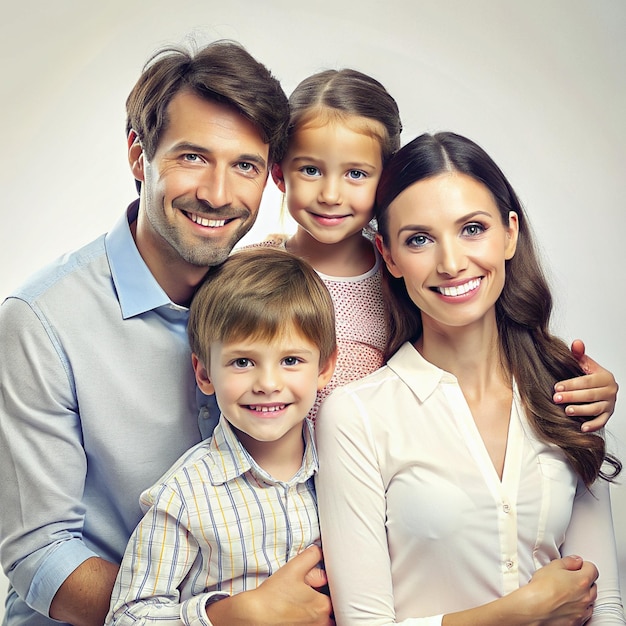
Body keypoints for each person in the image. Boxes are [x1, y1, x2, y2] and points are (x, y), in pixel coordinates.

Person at [0, 41, 333, 626]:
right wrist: (228, 615)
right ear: (139, 154)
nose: (218, 193)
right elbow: (39, 554)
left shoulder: (266, 297)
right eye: (192, 157)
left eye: (246, 166)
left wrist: (543, 375)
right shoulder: (42, 320)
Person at [315, 132, 624, 625]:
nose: (452, 262)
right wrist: (523, 611)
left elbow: (604, 605)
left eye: (472, 229)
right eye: (419, 239)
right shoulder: (356, 416)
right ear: (389, 255)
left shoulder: (567, 395)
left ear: (510, 233)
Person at [257, 68, 618, 425]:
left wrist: (579, 383)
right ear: (279, 174)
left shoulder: (409, 268)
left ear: (387, 181)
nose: (331, 195)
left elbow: (487, 341)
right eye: (310, 170)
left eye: (356, 174)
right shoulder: (252, 272)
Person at [106, 247, 337, 625]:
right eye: (242, 362)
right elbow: (127, 617)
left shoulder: (346, 465)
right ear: (205, 374)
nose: (267, 384)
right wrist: (226, 617)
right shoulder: (185, 496)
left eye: (291, 360)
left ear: (324, 367)